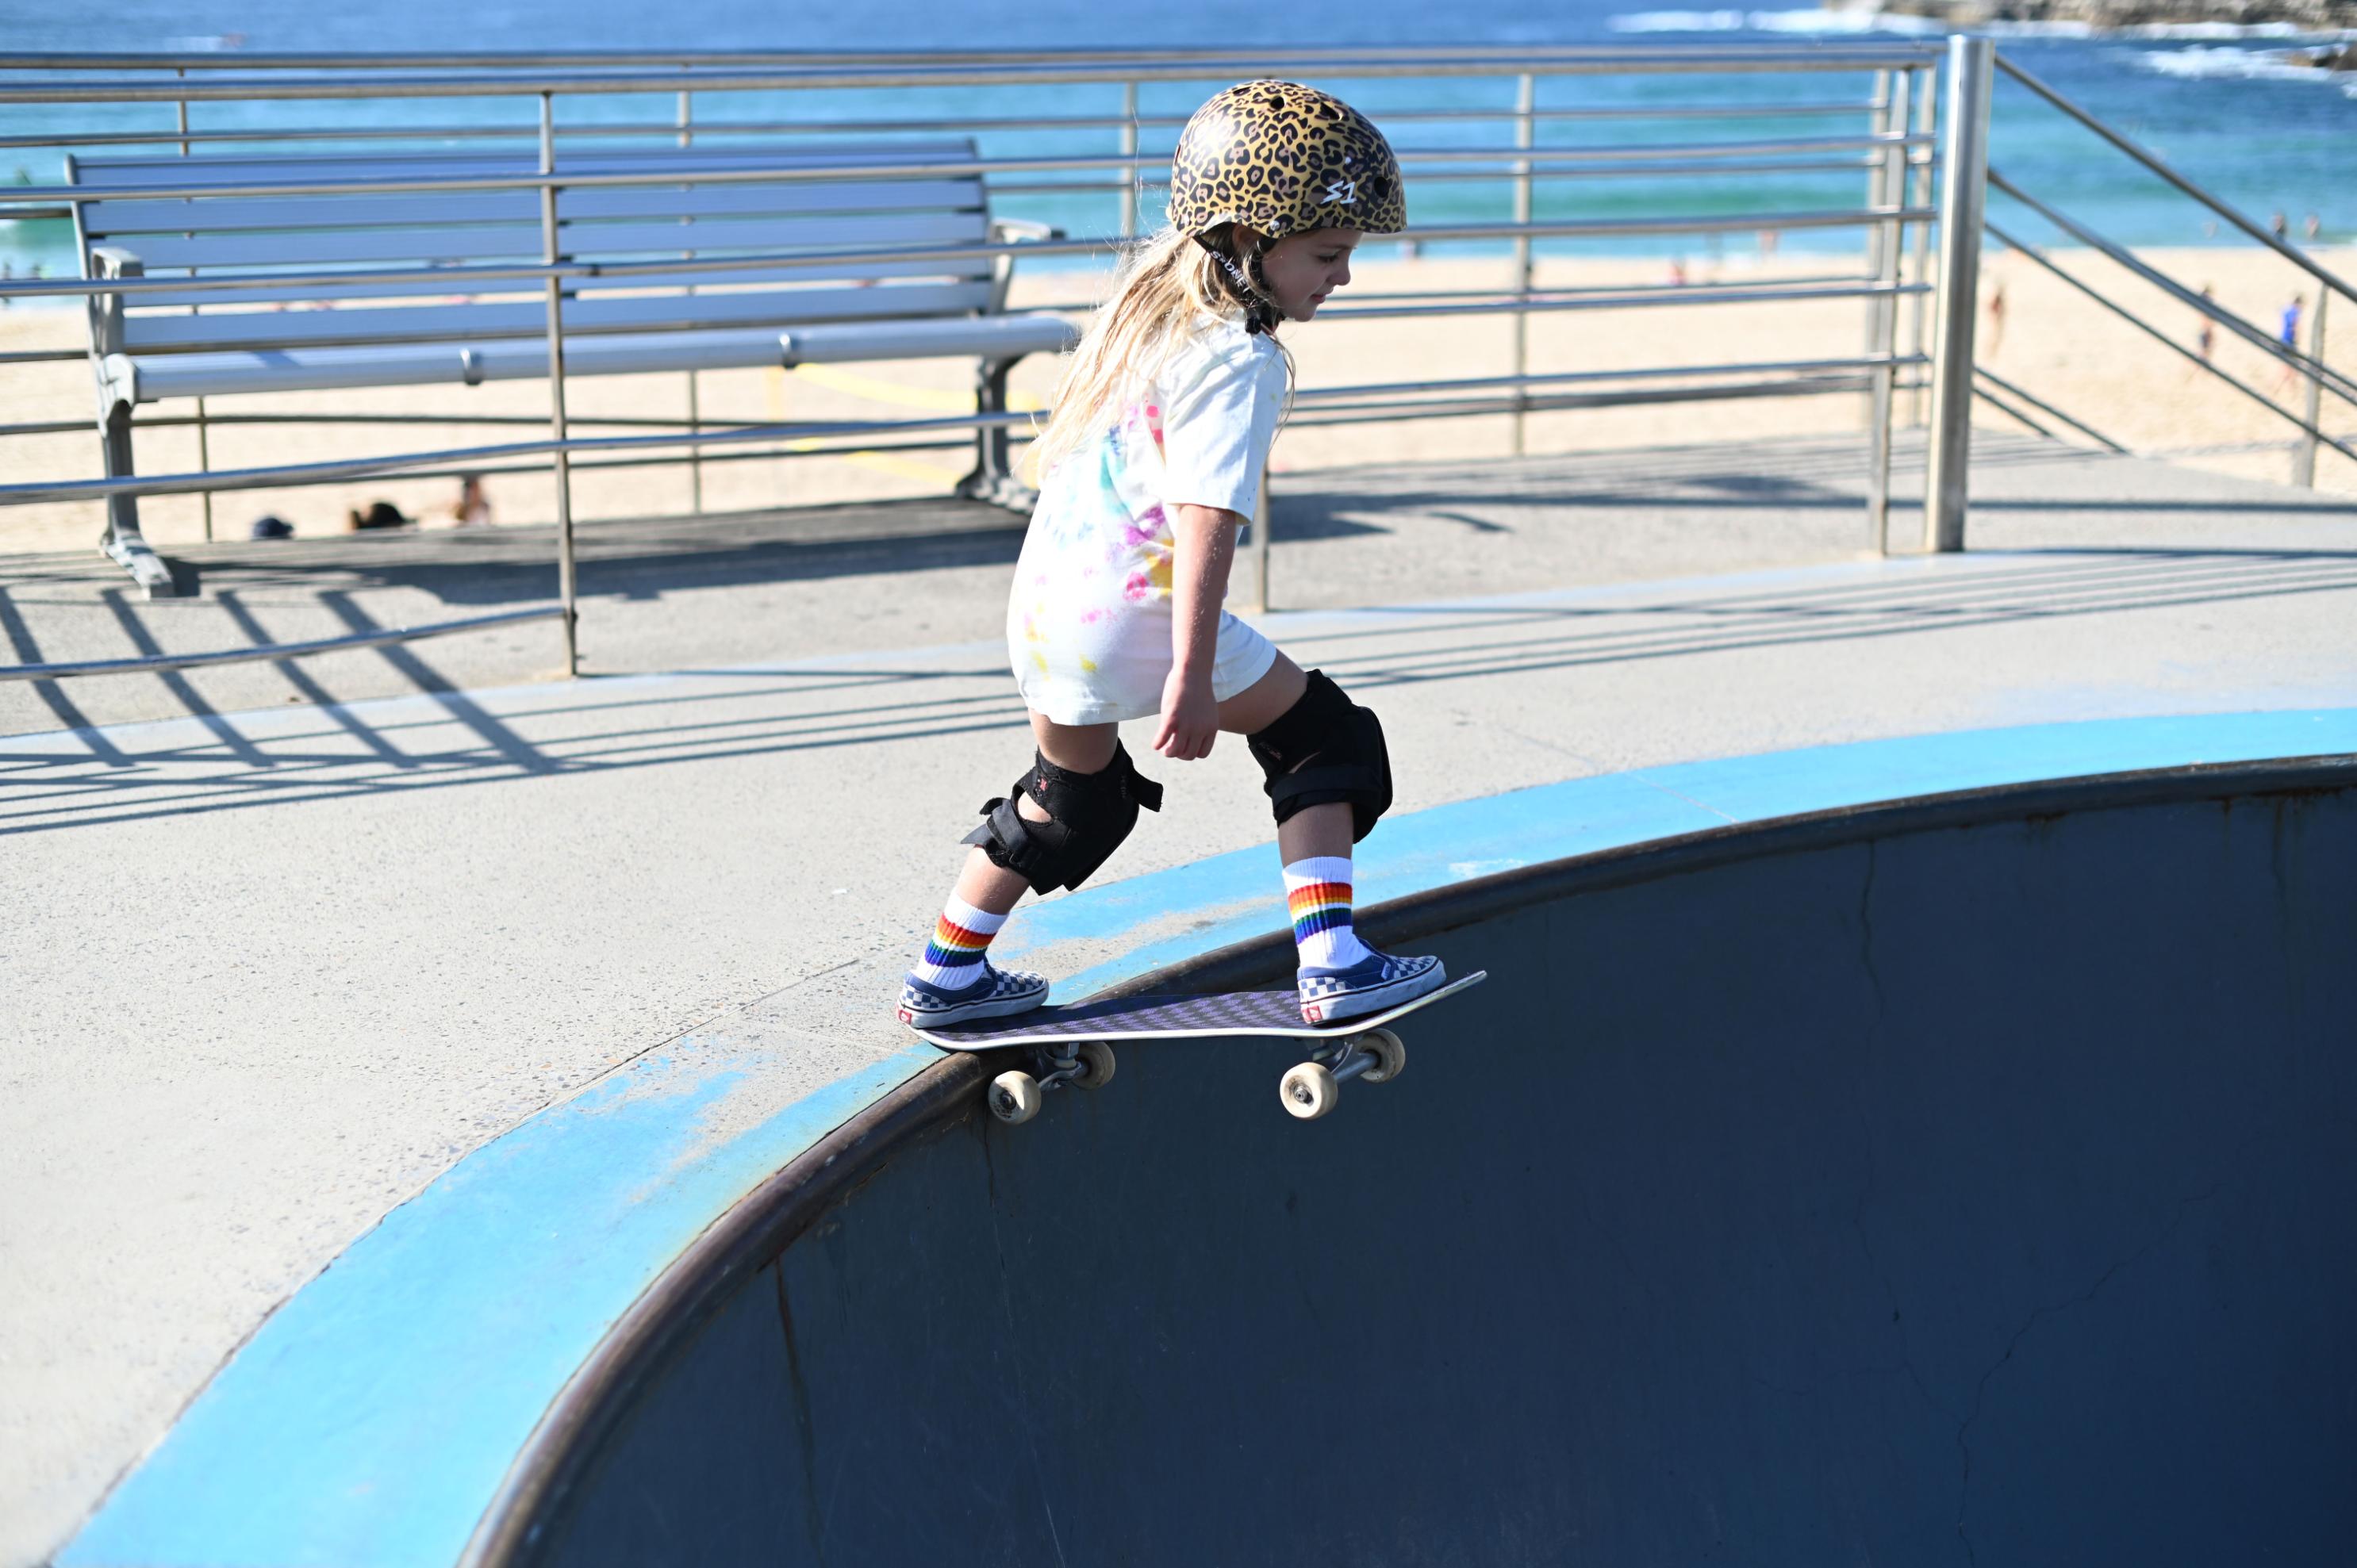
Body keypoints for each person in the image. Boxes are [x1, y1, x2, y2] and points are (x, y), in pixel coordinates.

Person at [896, 81, 1445, 1031]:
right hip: (1138, 615)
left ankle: (946, 973)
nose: (1341, 278)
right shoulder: (1242, 359)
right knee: (1324, 738)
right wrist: (1192, 674)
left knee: (1070, 802)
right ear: (1249, 239)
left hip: (1043, 615)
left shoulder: (1142, 322)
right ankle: (1335, 964)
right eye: (1327, 254)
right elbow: (1206, 519)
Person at [2271, 293, 2307, 397]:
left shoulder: (2286, 309)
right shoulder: (2295, 311)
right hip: (2290, 342)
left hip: (2283, 340)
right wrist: (2298, 338)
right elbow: (2295, 325)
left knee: (2288, 367)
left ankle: (2283, 389)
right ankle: (2288, 391)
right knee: (2290, 368)